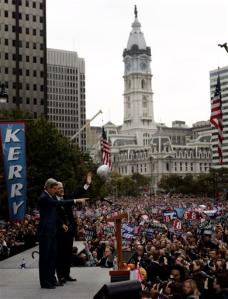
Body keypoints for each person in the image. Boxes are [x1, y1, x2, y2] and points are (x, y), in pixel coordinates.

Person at [37, 178, 79, 289]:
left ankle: (52, 279)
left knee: (53, 256)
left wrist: (61, 224)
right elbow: (58, 202)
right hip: (45, 232)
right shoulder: (44, 198)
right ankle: (45, 282)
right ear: (49, 188)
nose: (56, 191)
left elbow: (55, 215)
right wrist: (75, 201)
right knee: (45, 258)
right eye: (55, 189)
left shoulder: (49, 196)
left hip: (52, 232)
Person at [55, 174, 91, 283]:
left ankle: (66, 275)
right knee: (60, 254)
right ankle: (60, 276)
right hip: (59, 231)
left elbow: (77, 193)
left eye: (62, 188)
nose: (62, 190)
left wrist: (87, 185)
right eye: (59, 188)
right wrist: (61, 224)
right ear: (55, 189)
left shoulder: (66, 198)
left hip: (69, 230)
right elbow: (54, 215)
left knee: (67, 253)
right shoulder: (52, 200)